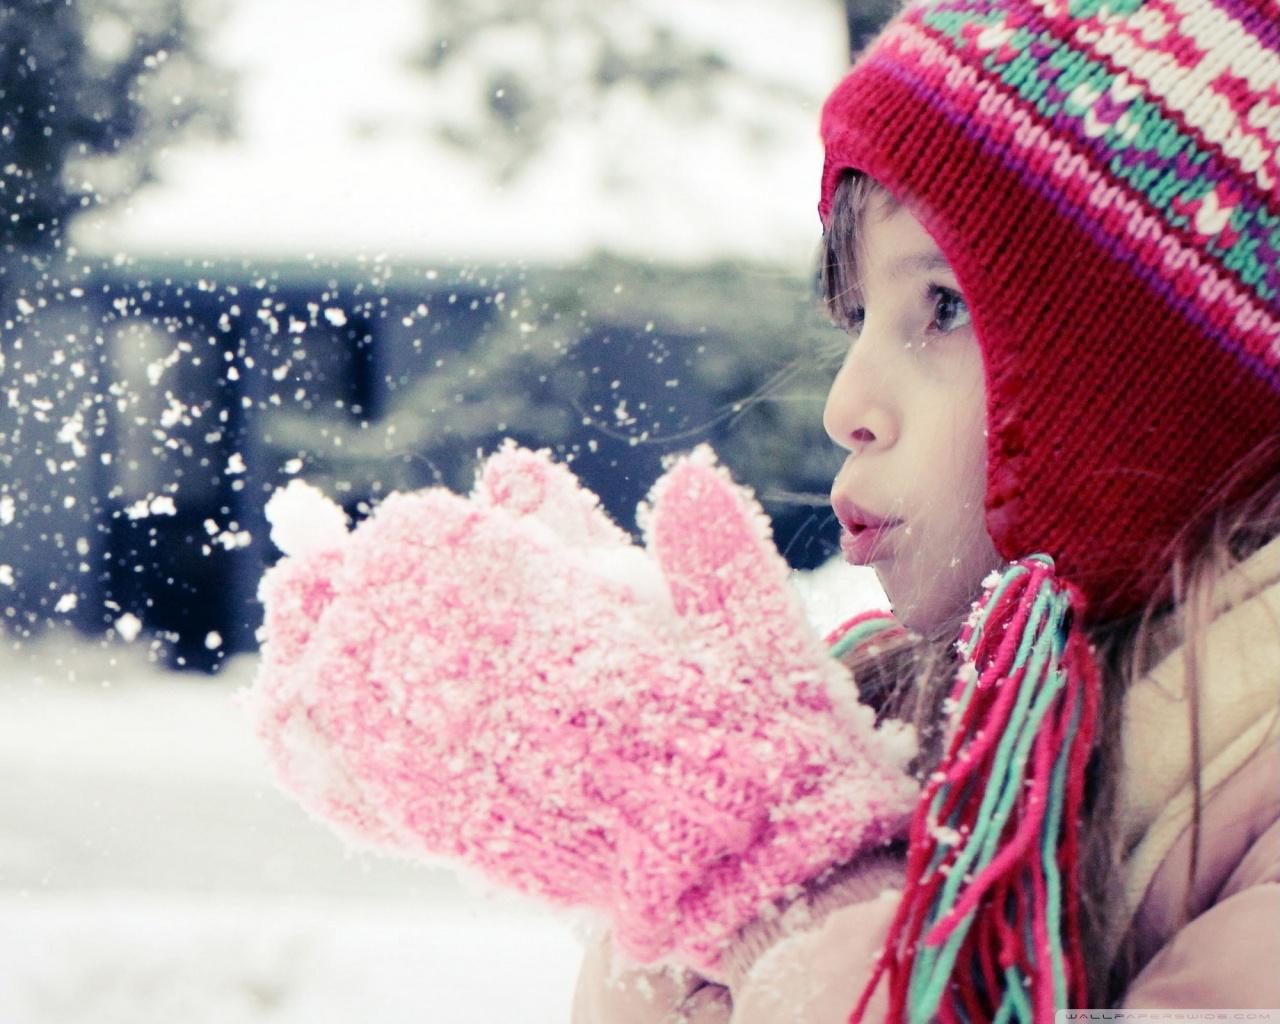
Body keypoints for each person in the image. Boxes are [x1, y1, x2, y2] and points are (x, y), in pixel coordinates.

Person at [573, 0, 1280, 1018]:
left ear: (1157, 390)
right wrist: (690, 865)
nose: (844, 405)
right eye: (856, 318)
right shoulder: (900, 731)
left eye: (940, 307)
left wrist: (799, 906)